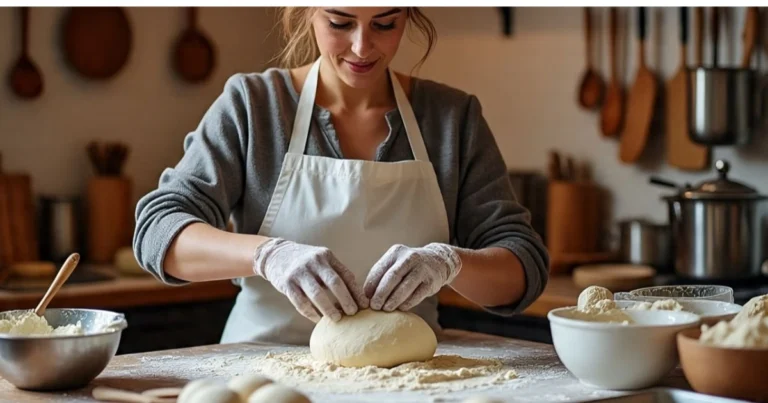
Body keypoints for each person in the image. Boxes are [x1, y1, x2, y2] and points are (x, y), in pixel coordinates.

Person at [133, 7, 549, 345]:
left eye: (385, 24)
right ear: (307, 13)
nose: (362, 46)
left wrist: (450, 263)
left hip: (406, 381)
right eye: (339, 23)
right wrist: (267, 255)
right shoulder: (254, 106)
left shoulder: (451, 119)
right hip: (259, 375)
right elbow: (158, 231)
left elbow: (522, 268)